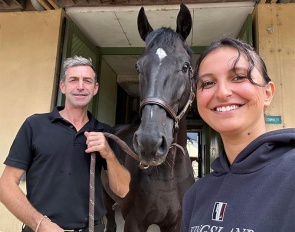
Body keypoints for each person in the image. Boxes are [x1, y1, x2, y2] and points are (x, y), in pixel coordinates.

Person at [0, 55, 131, 232]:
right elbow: (6, 185)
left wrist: (108, 154)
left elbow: (122, 190)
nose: (80, 86)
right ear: (62, 86)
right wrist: (41, 224)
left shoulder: (104, 132)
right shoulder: (35, 125)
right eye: (73, 80)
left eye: (87, 81)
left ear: (95, 88)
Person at [181, 37, 295, 231]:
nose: (222, 92)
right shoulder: (195, 195)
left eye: (239, 77)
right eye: (208, 83)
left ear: (268, 93)